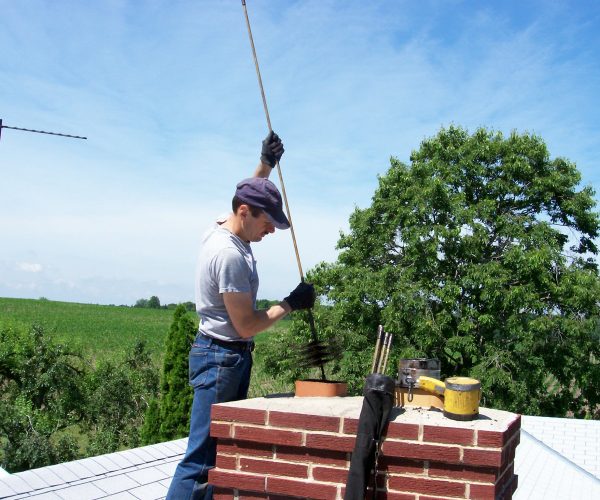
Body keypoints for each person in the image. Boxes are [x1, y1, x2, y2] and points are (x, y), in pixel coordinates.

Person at [166, 132, 316, 500]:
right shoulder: (229, 256)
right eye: (269, 223)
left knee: (215, 453)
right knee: (201, 460)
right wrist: (291, 303)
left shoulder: (223, 224)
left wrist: (265, 163)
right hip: (221, 359)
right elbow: (246, 325)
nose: (272, 230)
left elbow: (249, 194)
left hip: (224, 356)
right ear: (246, 213)